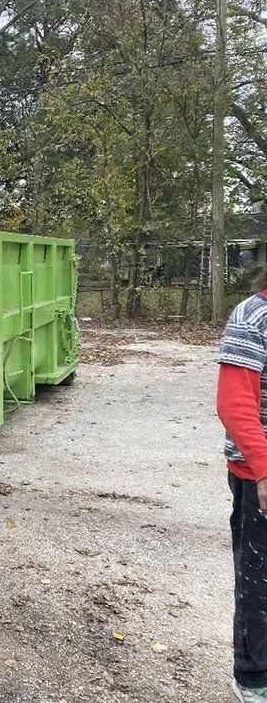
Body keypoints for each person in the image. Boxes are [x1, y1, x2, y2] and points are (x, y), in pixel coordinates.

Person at [218, 276, 267, 703]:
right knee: (260, 583)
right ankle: (254, 680)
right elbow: (235, 403)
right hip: (259, 478)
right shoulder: (252, 317)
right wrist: (263, 467)